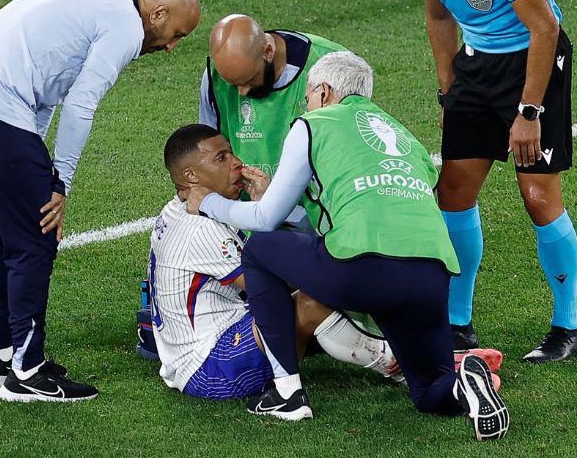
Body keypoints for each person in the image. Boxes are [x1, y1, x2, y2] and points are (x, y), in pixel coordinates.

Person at [187, 52, 509, 440]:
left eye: (308, 96)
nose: (306, 104)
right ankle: (465, 385)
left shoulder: (313, 124)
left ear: (323, 92)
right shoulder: (407, 139)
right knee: (429, 392)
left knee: (259, 251)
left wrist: (207, 202)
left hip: (364, 268)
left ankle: (286, 392)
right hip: (431, 274)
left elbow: (266, 220)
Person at [359, 0, 577, 362]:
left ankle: (566, 327)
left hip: (533, 63)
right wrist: (449, 90)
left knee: (537, 195)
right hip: (476, 70)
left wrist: (529, 112)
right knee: (454, 194)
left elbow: (543, 28)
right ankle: (458, 323)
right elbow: (439, 13)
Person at [0, 0, 201, 402]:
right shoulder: (125, 23)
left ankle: (2, 355)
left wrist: (36, 162)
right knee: (36, 237)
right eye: (177, 35)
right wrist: (58, 178)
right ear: (157, 14)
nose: (171, 47)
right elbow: (81, 103)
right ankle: (28, 371)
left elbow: (43, 93)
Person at [149, 124, 403, 405]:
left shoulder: (175, 209)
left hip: (198, 347)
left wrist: (263, 206)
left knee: (319, 289)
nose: (237, 163)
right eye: (221, 158)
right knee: (310, 302)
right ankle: (397, 360)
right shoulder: (199, 230)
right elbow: (278, 283)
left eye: (231, 153)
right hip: (209, 367)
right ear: (191, 175)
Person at [199, 14, 345, 177]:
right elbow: (209, 149)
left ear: (268, 52)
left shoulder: (332, 65)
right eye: (233, 84)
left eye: (250, 79)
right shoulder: (214, 76)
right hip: (246, 200)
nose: (242, 92)